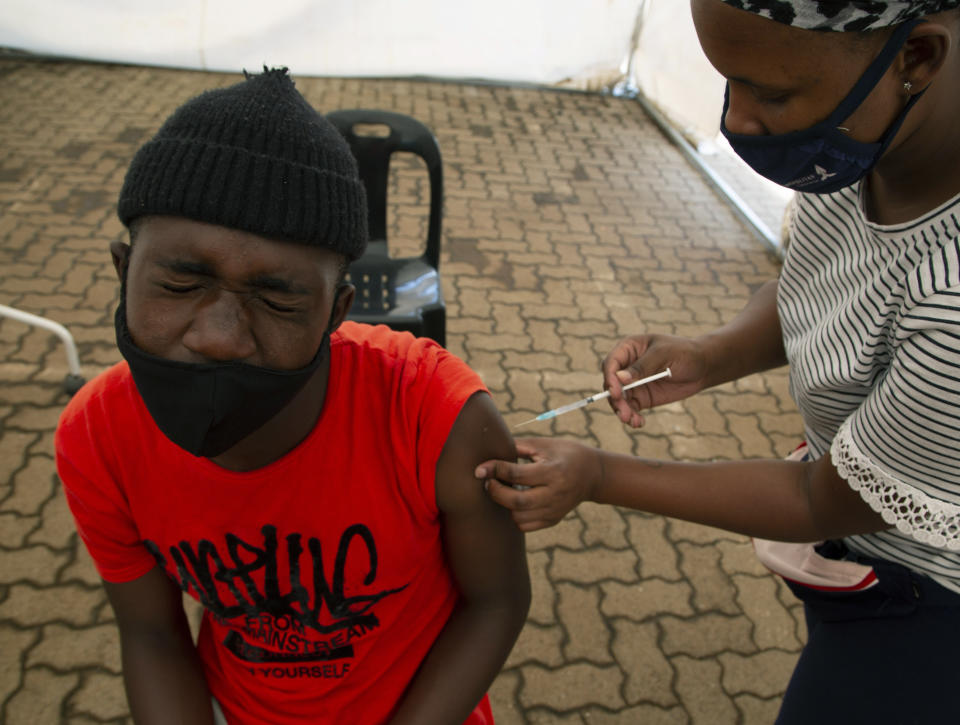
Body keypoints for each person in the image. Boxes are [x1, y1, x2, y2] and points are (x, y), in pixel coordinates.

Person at [476, 1, 960, 722]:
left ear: (915, 57)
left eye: (768, 92)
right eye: (729, 81)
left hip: (926, 601)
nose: (738, 121)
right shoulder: (862, 140)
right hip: (858, 544)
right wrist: (712, 355)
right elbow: (819, 282)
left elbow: (819, 498)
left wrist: (599, 473)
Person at [55, 67, 530, 725]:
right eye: (181, 282)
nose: (220, 336)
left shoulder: (437, 417)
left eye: (276, 297)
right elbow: (151, 633)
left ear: (337, 312)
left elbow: (496, 601)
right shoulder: (97, 437)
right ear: (122, 270)